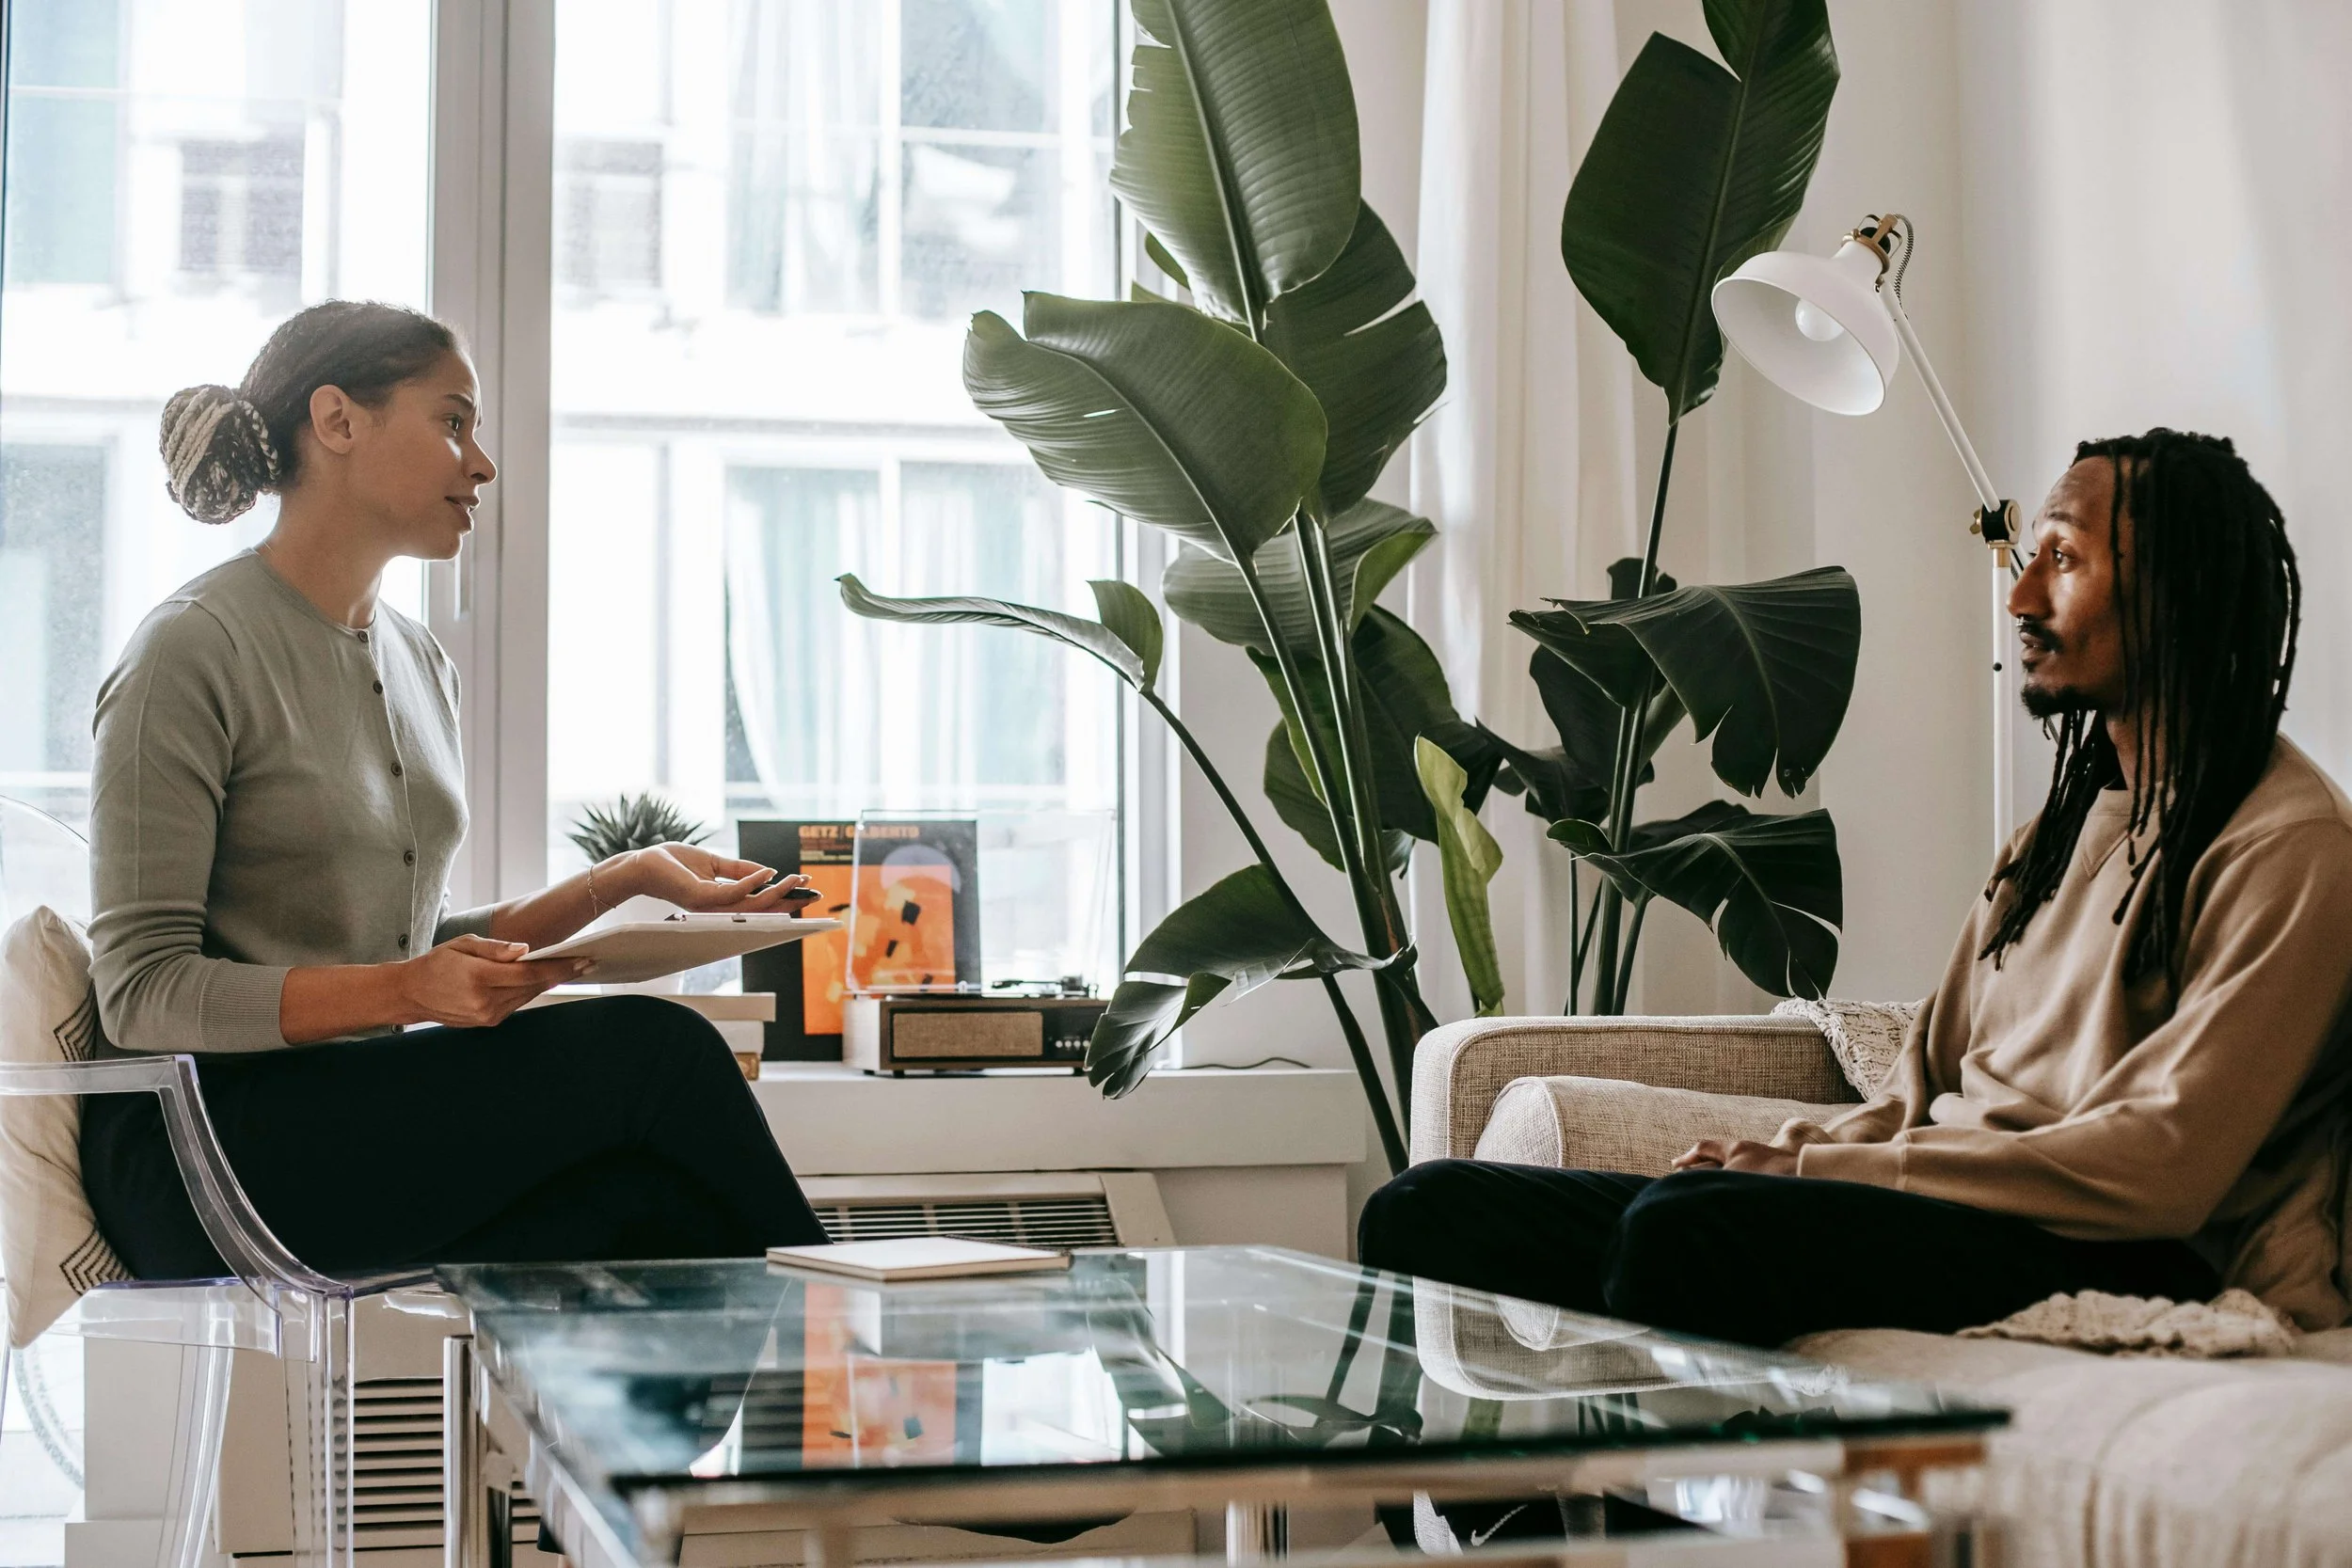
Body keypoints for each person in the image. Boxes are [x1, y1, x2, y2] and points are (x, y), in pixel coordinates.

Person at [1360, 428, 2352, 1348]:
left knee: (1687, 1233)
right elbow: (1916, 1095)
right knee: (1431, 1207)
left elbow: (2160, 1165)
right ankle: (1521, 1531)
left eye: (2061, 557)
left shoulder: (2290, 846)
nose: (2018, 599)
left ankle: (1660, 1529)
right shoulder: (2047, 841)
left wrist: (1814, 1170)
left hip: (2135, 1252)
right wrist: (1789, 1151)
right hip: (1950, 1208)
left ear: (2174, 592)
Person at [81, 300, 833, 1280]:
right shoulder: (191, 649)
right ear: (339, 421)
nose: (480, 464)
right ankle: (864, 1376)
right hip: (199, 1146)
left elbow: (398, 946)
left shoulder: (417, 658)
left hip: (343, 1108)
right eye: (452, 421)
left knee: (650, 1212)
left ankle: (770, 1423)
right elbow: (141, 992)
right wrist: (403, 990)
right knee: (660, 1053)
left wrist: (622, 882)